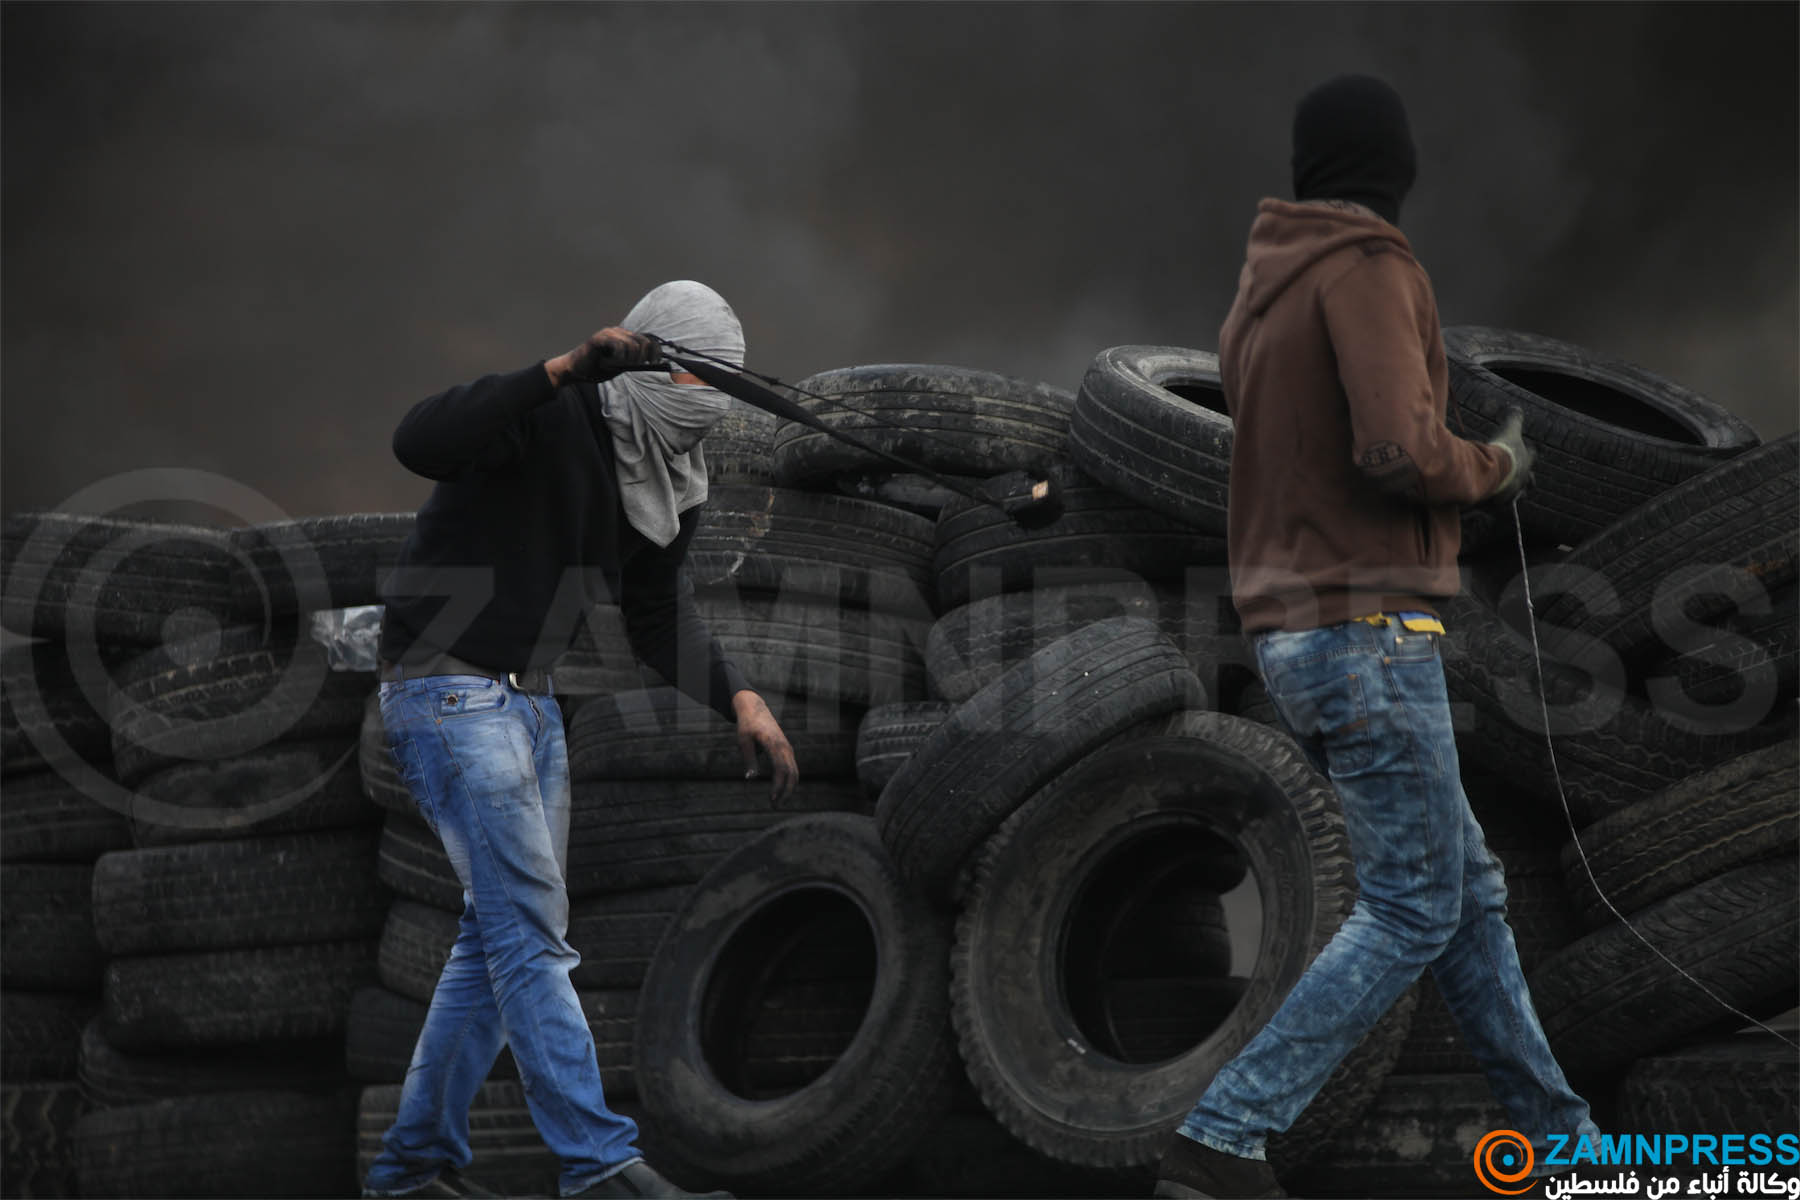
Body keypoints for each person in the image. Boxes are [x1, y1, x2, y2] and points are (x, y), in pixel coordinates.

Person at [1154, 76, 1601, 1199]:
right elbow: (1398, 448)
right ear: (1391, 166)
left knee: (1468, 893)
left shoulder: (1259, 299)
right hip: (1366, 629)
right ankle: (1223, 1136)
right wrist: (1493, 466)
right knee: (1413, 905)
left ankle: (1565, 1146)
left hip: (1298, 635)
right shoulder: (1367, 268)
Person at [363, 280, 797, 1200]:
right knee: (528, 935)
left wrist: (740, 697)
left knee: (497, 938)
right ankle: (600, 1168)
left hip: (530, 705)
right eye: (693, 375)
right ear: (647, 359)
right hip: (446, 690)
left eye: (720, 383)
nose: (706, 404)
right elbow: (417, 441)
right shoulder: (547, 413)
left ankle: (407, 1173)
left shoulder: (670, 476)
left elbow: (655, 615)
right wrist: (561, 369)